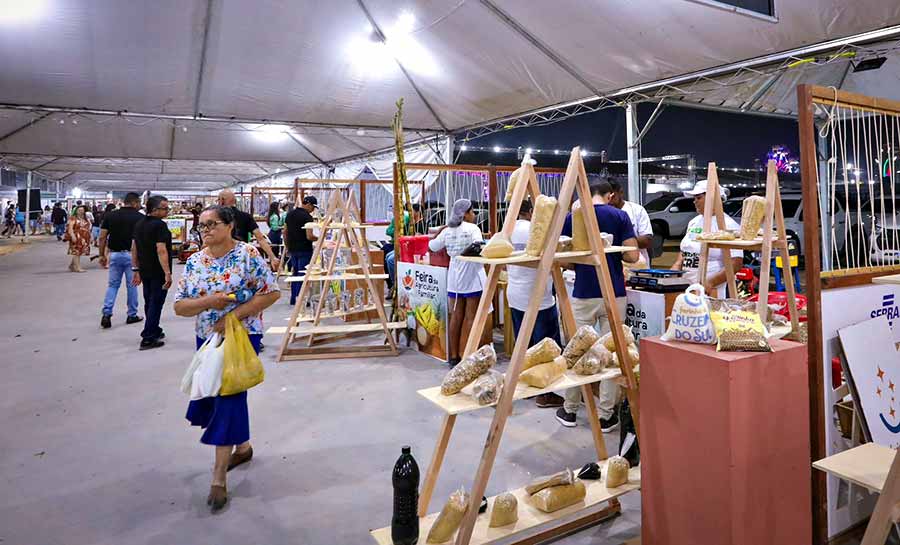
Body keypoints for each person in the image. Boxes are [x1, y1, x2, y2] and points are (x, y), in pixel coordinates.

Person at [173, 205, 279, 512]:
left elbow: (271, 293)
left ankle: (218, 477)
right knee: (214, 396)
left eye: (211, 225)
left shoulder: (248, 255)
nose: (205, 231)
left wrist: (232, 316)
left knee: (229, 396)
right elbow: (180, 307)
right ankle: (242, 447)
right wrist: (209, 303)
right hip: (208, 339)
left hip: (242, 336)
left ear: (230, 226)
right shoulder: (194, 262)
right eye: (201, 226)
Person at [557, 179, 640, 430]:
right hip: (613, 293)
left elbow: (564, 259)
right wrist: (614, 253)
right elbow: (633, 256)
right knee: (611, 354)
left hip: (583, 292)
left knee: (575, 351)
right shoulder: (620, 216)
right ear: (610, 195)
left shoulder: (574, 216)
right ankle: (606, 414)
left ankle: (570, 409)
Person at [507, 199, 564, 408]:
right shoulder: (537, 229)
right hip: (538, 297)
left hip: (515, 294)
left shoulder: (509, 230)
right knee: (546, 347)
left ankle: (526, 387)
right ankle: (545, 394)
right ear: (531, 211)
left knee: (525, 345)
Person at [428, 199, 488, 367]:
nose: (474, 215)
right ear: (466, 213)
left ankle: (454, 356)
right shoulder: (473, 229)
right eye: (473, 212)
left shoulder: (447, 231)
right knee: (471, 316)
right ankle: (469, 355)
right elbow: (479, 246)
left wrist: (441, 230)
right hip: (471, 274)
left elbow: (432, 246)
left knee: (456, 315)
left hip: (454, 276)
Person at [672, 180, 743, 297]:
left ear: (713, 199)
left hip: (713, 290)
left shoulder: (728, 225)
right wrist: (675, 269)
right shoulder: (694, 222)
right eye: (694, 198)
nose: (694, 202)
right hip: (688, 287)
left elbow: (736, 263)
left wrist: (710, 283)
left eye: (698, 198)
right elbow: (685, 250)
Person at [131, 195, 172, 351]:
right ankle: (148, 337)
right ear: (154, 210)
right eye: (165, 208)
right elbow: (161, 250)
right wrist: (167, 272)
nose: (167, 211)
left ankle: (154, 329)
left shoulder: (139, 224)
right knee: (156, 302)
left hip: (145, 270)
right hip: (157, 271)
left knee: (149, 301)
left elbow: (134, 248)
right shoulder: (160, 226)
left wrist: (135, 269)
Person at [98, 193, 144, 329]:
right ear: (135, 203)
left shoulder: (110, 215)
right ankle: (132, 314)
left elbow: (102, 237)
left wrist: (102, 255)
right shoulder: (140, 217)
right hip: (132, 256)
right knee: (132, 285)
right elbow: (142, 240)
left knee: (112, 285)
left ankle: (106, 314)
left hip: (115, 254)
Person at [217, 189, 278, 269]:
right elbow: (260, 239)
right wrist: (272, 257)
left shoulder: (216, 217)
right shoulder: (246, 216)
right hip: (241, 258)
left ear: (222, 200)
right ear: (234, 201)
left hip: (220, 257)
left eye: (218, 199)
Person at [607, 179, 654, 267]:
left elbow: (647, 240)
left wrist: (622, 241)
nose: (610, 201)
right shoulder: (601, 212)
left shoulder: (637, 210)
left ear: (620, 192)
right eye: (607, 197)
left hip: (636, 266)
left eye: (613, 196)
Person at [283, 196, 319, 306]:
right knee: (303, 275)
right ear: (309, 205)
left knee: (295, 273)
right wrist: (320, 238)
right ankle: (300, 300)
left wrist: (288, 246)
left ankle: (294, 298)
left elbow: (285, 232)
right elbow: (309, 236)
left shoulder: (289, 215)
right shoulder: (307, 217)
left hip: (293, 249)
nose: (313, 210)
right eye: (313, 207)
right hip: (305, 249)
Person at [384, 203, 423, 291]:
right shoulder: (409, 223)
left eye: (411, 211)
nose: (409, 213)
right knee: (387, 255)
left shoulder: (422, 224)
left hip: (414, 250)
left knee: (390, 260)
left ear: (417, 212)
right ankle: (393, 284)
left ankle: (396, 285)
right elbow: (390, 231)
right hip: (405, 247)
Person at [67, 205, 92, 272]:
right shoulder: (73, 218)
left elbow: (88, 228)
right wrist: (72, 236)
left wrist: (90, 237)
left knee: (79, 252)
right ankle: (77, 267)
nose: (81, 212)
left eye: (82, 210)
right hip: (76, 237)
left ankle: (72, 266)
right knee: (76, 252)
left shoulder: (85, 219)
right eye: (79, 210)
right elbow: (70, 228)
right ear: (76, 211)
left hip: (84, 238)